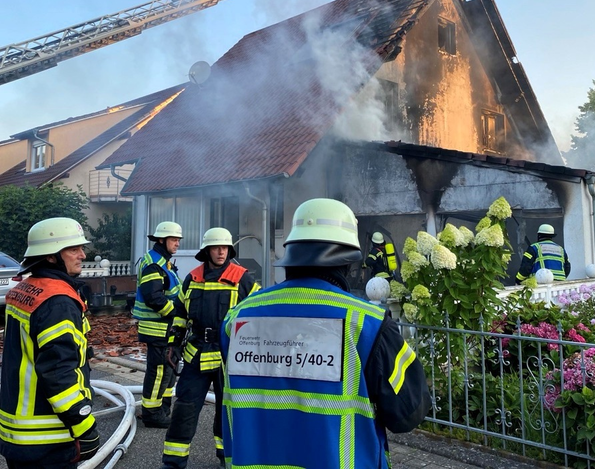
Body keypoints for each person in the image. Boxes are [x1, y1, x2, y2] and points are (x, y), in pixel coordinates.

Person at [220, 198, 431, 469]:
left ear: (291, 255)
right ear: (347, 262)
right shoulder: (368, 322)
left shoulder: (237, 319)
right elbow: (408, 412)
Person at [0, 217, 100, 469]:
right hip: (47, 436)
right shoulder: (58, 301)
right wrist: (84, 425)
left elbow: (31, 348)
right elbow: (57, 373)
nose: (82, 255)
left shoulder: (25, 289)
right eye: (73, 249)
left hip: (17, 429)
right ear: (52, 256)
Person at [161, 227, 260, 469]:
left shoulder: (243, 279)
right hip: (197, 352)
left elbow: (258, 316)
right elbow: (180, 314)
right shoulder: (192, 278)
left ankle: (227, 458)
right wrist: (173, 343)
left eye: (225, 247)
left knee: (228, 410)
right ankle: (173, 461)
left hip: (230, 356)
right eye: (216, 247)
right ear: (206, 250)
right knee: (184, 407)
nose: (220, 251)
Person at [134, 220, 184, 428]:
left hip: (165, 329)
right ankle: (152, 414)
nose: (177, 243)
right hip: (158, 328)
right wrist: (176, 315)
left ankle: (163, 410)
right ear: (162, 240)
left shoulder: (163, 262)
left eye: (178, 240)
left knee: (168, 371)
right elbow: (153, 297)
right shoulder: (154, 264)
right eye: (174, 239)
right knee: (159, 373)